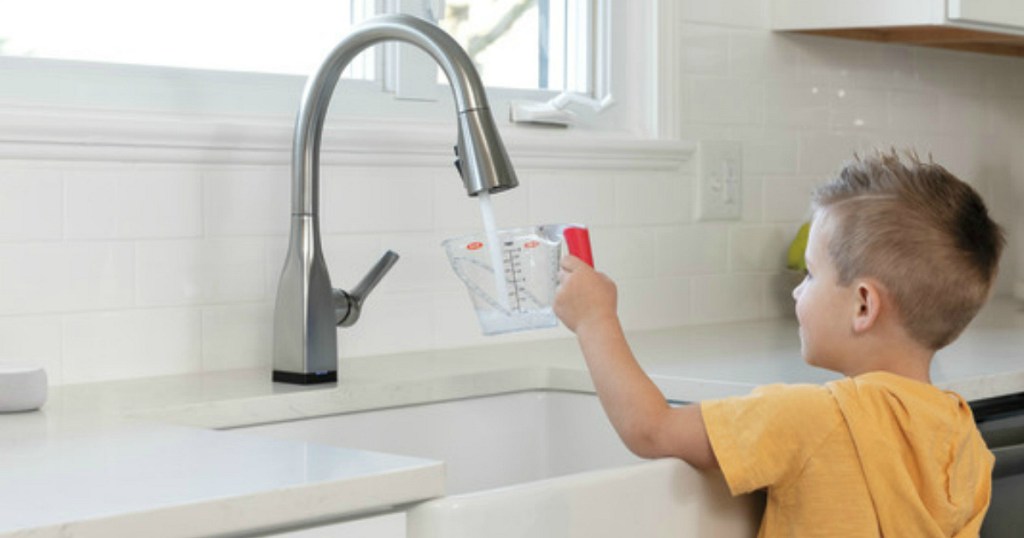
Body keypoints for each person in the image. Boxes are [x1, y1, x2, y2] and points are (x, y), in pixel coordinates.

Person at [554, 150, 1005, 537]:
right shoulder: (964, 440)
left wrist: (595, 320)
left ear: (864, 306)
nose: (796, 290)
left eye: (810, 274)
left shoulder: (810, 418)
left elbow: (651, 429)